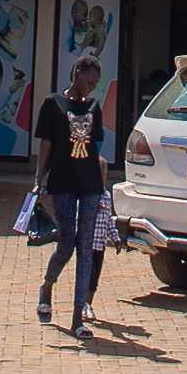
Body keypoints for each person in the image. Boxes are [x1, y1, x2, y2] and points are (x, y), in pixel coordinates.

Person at [26, 51, 114, 334]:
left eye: (95, 84)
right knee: (67, 242)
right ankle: (47, 286)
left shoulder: (94, 107)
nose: (90, 88)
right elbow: (46, 144)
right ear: (77, 74)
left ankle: (78, 317)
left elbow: (95, 149)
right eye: (88, 81)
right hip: (62, 181)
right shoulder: (52, 104)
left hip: (90, 184)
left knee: (86, 246)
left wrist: (103, 185)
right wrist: (39, 180)